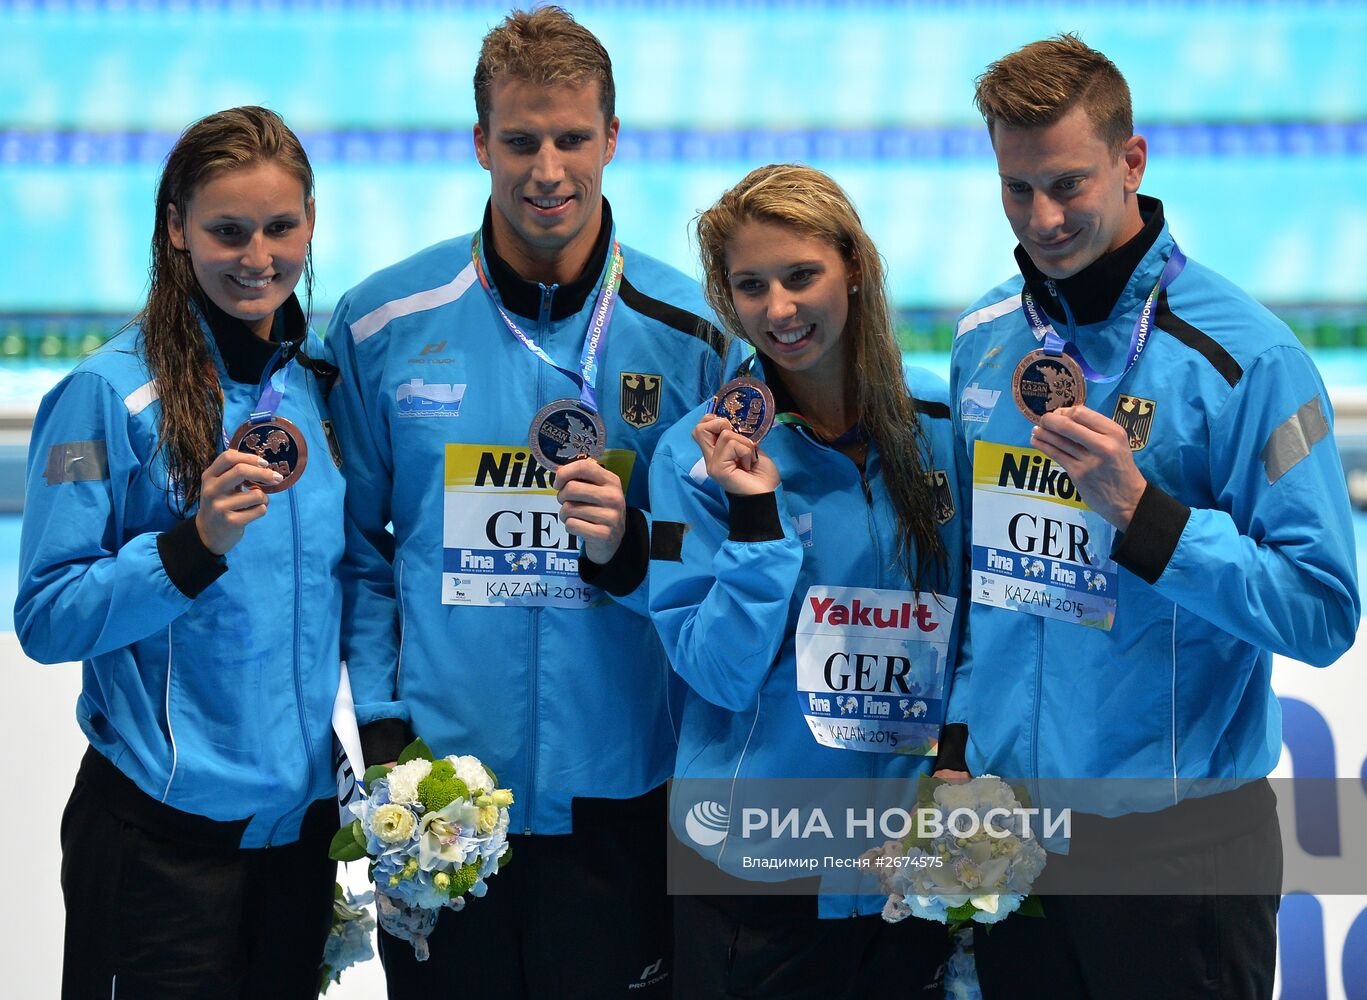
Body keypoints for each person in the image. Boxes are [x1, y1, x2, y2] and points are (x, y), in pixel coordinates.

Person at [942, 34, 1360, 999]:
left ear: (1132, 161)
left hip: (1179, 855)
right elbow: (979, 586)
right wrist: (957, 752)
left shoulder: (1247, 360)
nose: (1041, 218)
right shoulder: (982, 342)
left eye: (1067, 184)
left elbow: (1322, 611)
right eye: (1016, 189)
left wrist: (1146, 516)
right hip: (1012, 841)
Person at [322, 7, 728, 996]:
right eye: (519, 140)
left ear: (612, 139)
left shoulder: (690, 336)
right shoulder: (382, 324)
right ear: (478, 143)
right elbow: (358, 550)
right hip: (444, 798)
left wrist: (634, 547)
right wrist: (385, 735)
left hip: (623, 793)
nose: (546, 170)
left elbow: (727, 558)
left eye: (571, 138)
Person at [16, 106, 345, 998]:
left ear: (312, 223)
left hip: (296, 835)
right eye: (227, 231)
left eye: (281, 228)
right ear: (175, 229)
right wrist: (191, 547)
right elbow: (46, 616)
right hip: (159, 846)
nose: (258, 256)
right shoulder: (102, 400)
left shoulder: (320, 386)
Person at [647, 164, 964, 998]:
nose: (779, 310)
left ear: (852, 267)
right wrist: (754, 519)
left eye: (800, 276)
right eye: (750, 287)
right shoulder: (695, 453)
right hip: (758, 867)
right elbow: (715, 673)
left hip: (907, 863)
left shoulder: (940, 429)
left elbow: (979, 631)